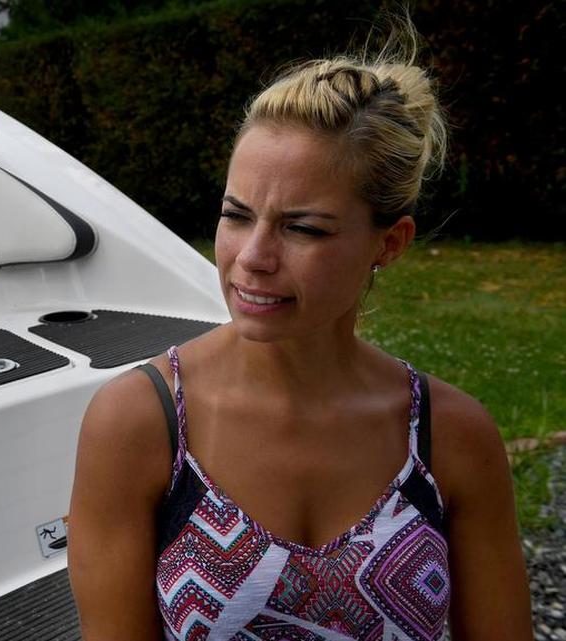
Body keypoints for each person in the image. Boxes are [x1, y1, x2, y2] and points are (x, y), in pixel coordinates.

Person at [67, 14, 532, 641]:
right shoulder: (139, 424)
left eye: (303, 228)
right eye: (237, 216)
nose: (252, 257)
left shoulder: (450, 436)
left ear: (389, 243)